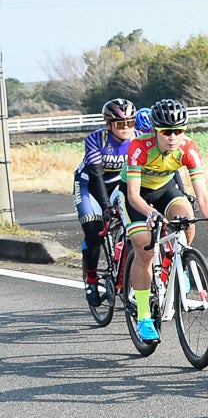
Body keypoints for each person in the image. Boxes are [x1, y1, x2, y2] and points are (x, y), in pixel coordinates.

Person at [122, 98, 208, 343]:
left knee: (187, 220)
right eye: (167, 132)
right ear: (156, 131)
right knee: (145, 245)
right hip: (137, 196)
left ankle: (175, 264)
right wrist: (151, 213)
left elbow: (201, 194)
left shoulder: (188, 148)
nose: (173, 137)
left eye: (178, 131)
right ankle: (144, 317)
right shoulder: (140, 147)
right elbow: (133, 195)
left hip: (165, 189)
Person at [73, 98, 143, 305]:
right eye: (121, 124)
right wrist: (105, 207)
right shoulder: (96, 140)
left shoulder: (139, 139)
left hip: (118, 185)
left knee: (134, 225)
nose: (126, 128)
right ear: (109, 125)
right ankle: (91, 278)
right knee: (94, 230)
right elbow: (95, 175)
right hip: (89, 185)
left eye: (130, 123)